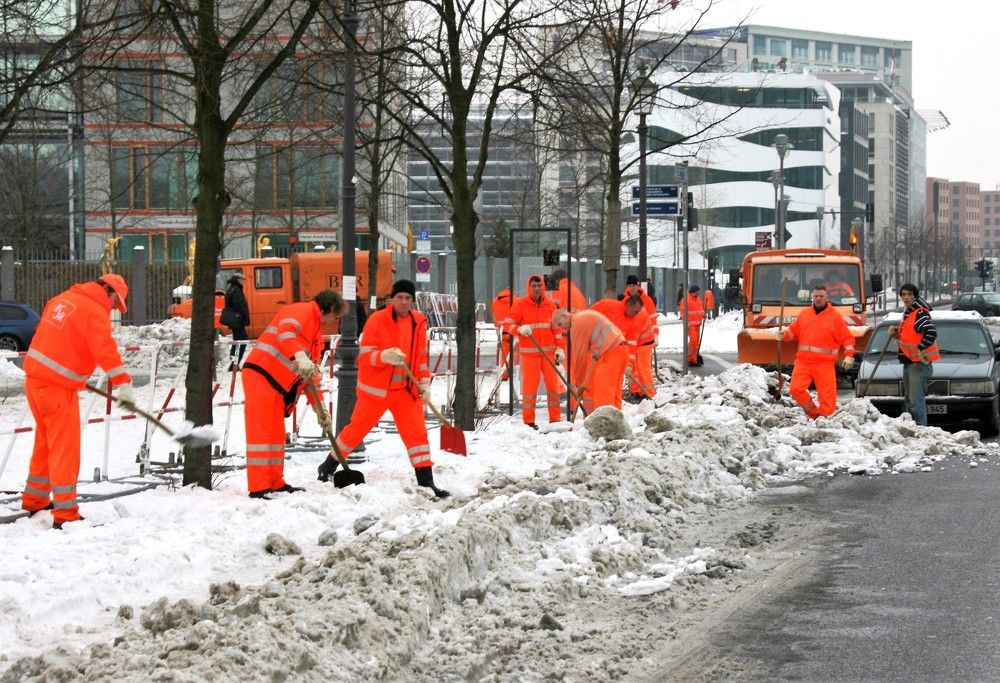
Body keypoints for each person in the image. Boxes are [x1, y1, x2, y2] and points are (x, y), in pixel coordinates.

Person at [21, 274, 134, 529]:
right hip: (57, 389)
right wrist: (123, 384)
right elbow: (105, 350)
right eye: (117, 303)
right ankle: (66, 513)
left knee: (46, 442)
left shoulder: (62, 299)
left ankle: (35, 499)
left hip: (35, 381)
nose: (115, 308)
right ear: (110, 291)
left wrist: (74, 373)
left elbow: (53, 339)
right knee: (65, 448)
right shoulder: (94, 311)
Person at [320, 279, 451, 498]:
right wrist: (383, 356)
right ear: (392, 299)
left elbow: (420, 357)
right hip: (377, 391)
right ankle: (328, 466)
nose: (403, 302)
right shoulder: (377, 320)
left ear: (412, 301)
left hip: (406, 392)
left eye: (408, 298)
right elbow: (365, 355)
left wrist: (424, 382)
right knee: (356, 430)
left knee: (417, 435)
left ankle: (426, 482)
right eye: (399, 297)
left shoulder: (418, 322)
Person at [242, 288, 345, 499]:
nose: (333, 321)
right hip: (262, 374)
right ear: (329, 308)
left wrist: (320, 410)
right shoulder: (302, 311)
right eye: (335, 316)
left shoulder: (316, 332)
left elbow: (310, 377)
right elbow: (285, 332)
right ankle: (259, 486)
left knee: (275, 435)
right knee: (261, 435)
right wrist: (298, 355)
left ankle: (275, 482)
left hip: (276, 384)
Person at [776, 285, 856, 419]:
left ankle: (825, 420)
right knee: (796, 389)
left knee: (827, 399)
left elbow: (847, 338)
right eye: (816, 296)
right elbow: (793, 331)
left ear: (826, 297)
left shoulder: (835, 317)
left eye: (821, 296)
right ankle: (814, 413)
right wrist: (783, 335)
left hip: (824, 364)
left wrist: (849, 356)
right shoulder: (805, 314)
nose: (818, 299)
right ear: (812, 297)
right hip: (803, 362)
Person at [502, 275, 565, 429]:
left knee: (553, 388)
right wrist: (519, 330)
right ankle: (529, 422)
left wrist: (559, 347)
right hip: (530, 355)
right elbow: (506, 325)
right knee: (530, 390)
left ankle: (555, 420)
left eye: (539, 285)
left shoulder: (550, 305)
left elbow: (556, 329)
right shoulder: (520, 305)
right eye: (534, 286)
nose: (537, 289)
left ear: (543, 287)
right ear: (528, 288)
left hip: (549, 354)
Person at [551, 307, 628, 413]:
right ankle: (615, 422)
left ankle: (603, 425)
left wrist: (579, 383)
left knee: (603, 392)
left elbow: (580, 357)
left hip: (610, 353)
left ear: (565, 316)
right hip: (620, 349)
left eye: (560, 324)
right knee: (614, 393)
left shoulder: (577, 324)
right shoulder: (583, 317)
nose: (562, 328)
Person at [888, 283, 938, 426]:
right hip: (909, 362)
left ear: (915, 296)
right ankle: (913, 429)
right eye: (903, 294)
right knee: (910, 401)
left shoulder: (919, 312)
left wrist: (921, 348)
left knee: (916, 402)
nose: (906, 297)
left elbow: (931, 332)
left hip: (919, 365)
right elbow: (912, 336)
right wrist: (898, 334)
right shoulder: (909, 312)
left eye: (909, 294)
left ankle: (921, 430)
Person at [591, 295, 654, 401]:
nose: (636, 314)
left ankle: (613, 405)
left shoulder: (634, 321)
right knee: (596, 379)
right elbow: (589, 314)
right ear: (628, 305)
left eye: (638, 312)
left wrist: (629, 363)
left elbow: (632, 344)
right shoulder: (608, 306)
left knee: (614, 381)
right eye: (635, 311)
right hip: (596, 349)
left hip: (613, 353)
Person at [620, 276, 658, 399]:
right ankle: (636, 391)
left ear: (638, 286)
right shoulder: (624, 300)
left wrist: (656, 334)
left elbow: (653, 319)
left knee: (644, 368)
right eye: (629, 286)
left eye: (633, 286)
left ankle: (649, 393)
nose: (631, 288)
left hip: (644, 341)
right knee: (633, 368)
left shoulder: (647, 300)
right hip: (631, 340)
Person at [223, 272, 250, 368]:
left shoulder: (232, 288)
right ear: (238, 280)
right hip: (238, 321)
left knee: (238, 342)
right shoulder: (236, 290)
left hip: (236, 320)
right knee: (241, 342)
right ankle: (234, 364)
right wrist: (243, 317)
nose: (244, 282)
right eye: (243, 280)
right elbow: (239, 305)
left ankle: (234, 364)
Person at [491, 287, 516, 381]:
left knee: (504, 354)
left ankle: (504, 374)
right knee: (516, 354)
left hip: (502, 331)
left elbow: (494, 317)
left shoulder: (495, 301)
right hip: (513, 330)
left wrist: (497, 328)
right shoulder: (516, 300)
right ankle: (516, 373)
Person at [678, 285, 705, 366]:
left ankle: (694, 359)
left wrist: (703, 315)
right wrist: (686, 322)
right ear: (692, 292)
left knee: (696, 342)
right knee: (693, 341)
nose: (698, 293)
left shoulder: (698, 299)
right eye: (696, 291)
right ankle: (688, 358)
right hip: (690, 325)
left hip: (697, 324)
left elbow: (700, 310)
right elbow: (683, 312)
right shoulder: (685, 300)